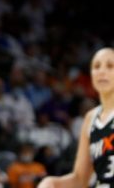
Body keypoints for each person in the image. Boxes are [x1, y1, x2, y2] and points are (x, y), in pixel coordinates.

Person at [38, 47, 114, 188]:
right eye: (97, 66)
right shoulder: (90, 118)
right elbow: (80, 180)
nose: (102, 71)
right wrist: (53, 183)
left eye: (110, 66)